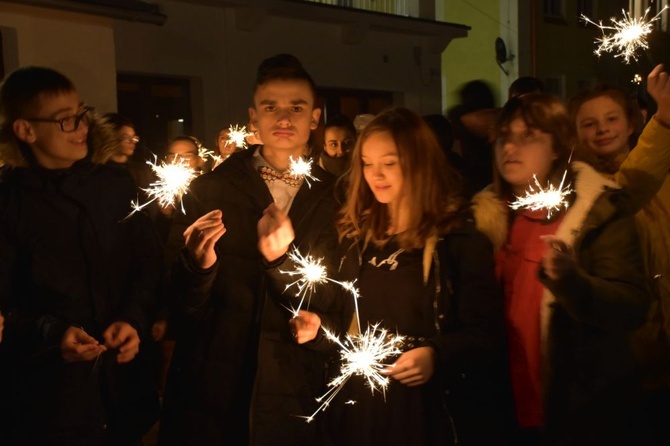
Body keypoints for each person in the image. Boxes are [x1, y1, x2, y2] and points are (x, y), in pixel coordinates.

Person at [295, 107, 507, 445]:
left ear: (418, 162)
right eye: (367, 163)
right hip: (362, 409)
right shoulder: (355, 236)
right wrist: (320, 331)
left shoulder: (458, 239)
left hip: (424, 410)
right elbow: (350, 324)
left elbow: (486, 332)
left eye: (389, 163)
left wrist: (437, 354)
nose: (376, 174)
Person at [159, 54, 341, 446]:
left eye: (297, 107)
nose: (284, 119)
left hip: (296, 381)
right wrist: (198, 266)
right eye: (271, 107)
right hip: (213, 382)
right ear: (253, 117)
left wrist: (281, 263)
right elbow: (176, 302)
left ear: (315, 117)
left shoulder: (336, 198)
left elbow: (339, 299)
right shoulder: (210, 189)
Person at [0, 66, 162, 445]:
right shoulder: (10, 203)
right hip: (49, 400)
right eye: (66, 121)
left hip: (123, 389)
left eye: (82, 113)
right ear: (26, 130)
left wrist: (133, 320)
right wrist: (54, 334)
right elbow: (5, 303)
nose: (82, 126)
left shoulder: (115, 184)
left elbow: (148, 263)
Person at [482, 92, 650, 445]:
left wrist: (571, 281)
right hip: (501, 410)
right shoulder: (484, 221)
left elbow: (631, 305)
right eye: (505, 135)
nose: (511, 146)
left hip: (577, 409)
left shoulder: (597, 214)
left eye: (529, 136)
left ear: (558, 146)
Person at [568, 64, 670, 444]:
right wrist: (665, 125)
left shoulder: (664, 171)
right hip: (624, 360)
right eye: (589, 123)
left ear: (632, 123)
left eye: (611, 118)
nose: (602, 128)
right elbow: (626, 190)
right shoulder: (580, 191)